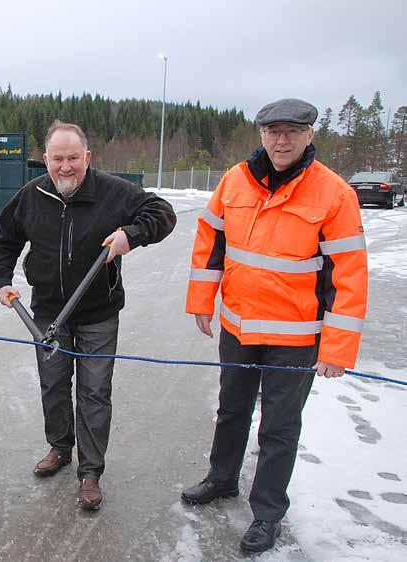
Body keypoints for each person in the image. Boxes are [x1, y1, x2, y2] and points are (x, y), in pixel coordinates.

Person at [183, 98, 368, 553]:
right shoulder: (235, 180)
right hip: (239, 329)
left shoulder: (334, 193)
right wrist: (202, 301)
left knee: (279, 428)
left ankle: (267, 514)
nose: (280, 140)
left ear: (309, 135)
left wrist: (336, 349)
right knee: (231, 411)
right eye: (272, 132)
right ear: (261, 135)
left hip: (296, 338)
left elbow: (349, 273)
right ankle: (222, 479)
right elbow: (211, 242)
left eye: (291, 131)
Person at [0, 120, 177, 510]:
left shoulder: (112, 192)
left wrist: (132, 234)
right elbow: (4, 241)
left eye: (74, 157)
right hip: (46, 312)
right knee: (53, 385)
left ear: (87, 157)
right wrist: (0, 280)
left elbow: (162, 212)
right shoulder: (31, 194)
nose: (66, 166)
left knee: (94, 392)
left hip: (97, 314)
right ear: (45, 159)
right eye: (58, 158)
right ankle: (59, 448)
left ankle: (90, 472)